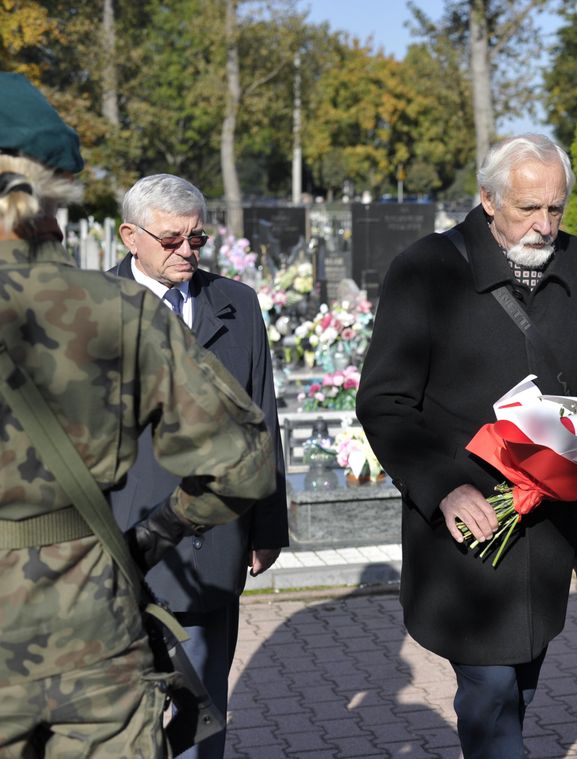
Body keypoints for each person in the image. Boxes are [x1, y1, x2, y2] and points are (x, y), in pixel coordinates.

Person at [0, 72, 275, 757]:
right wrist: (158, 531)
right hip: (94, 640)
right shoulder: (121, 311)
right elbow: (244, 460)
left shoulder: (198, 303)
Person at [355, 134, 577, 759]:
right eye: (528, 208)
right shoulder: (426, 269)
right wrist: (443, 486)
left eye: (556, 208)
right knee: (490, 691)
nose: (545, 223)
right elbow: (385, 401)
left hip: (550, 529)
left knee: (522, 682)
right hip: (467, 528)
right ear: (487, 199)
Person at [108, 174, 288, 758]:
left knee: (203, 712)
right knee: (120, 718)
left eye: (198, 239)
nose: (187, 251)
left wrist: (267, 527)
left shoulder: (235, 304)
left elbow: (263, 417)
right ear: (130, 237)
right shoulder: (88, 311)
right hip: (121, 546)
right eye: (171, 240)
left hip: (214, 541)